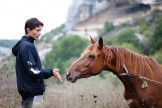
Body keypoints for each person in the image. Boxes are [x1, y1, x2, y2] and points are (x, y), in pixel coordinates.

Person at [12, 17, 62, 108]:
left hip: (31, 93)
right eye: (37, 30)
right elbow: (32, 70)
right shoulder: (27, 46)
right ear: (28, 29)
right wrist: (51, 72)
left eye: (41, 30)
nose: (40, 33)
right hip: (32, 93)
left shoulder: (25, 45)